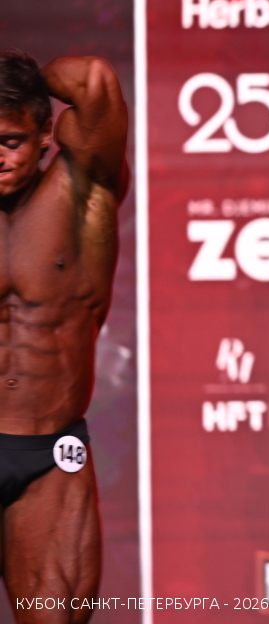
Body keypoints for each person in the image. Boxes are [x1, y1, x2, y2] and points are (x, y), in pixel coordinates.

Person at [0, 51, 129, 620]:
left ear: (45, 132)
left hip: (49, 454)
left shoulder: (84, 190)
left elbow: (93, 80)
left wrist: (23, 79)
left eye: (10, 141)